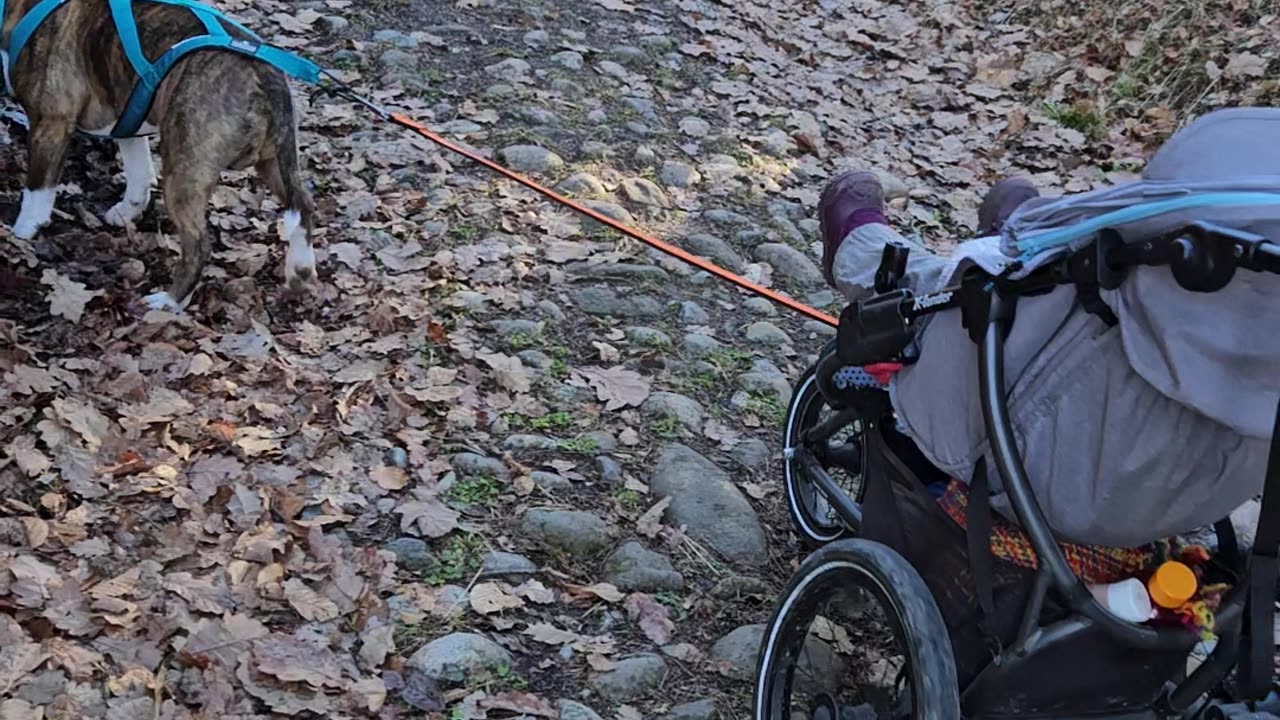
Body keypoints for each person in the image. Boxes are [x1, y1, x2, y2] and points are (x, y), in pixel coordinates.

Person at [815, 168, 1272, 548]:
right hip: (1182, 498)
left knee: (947, 292)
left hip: (1037, 468)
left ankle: (859, 246)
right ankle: (1018, 248)